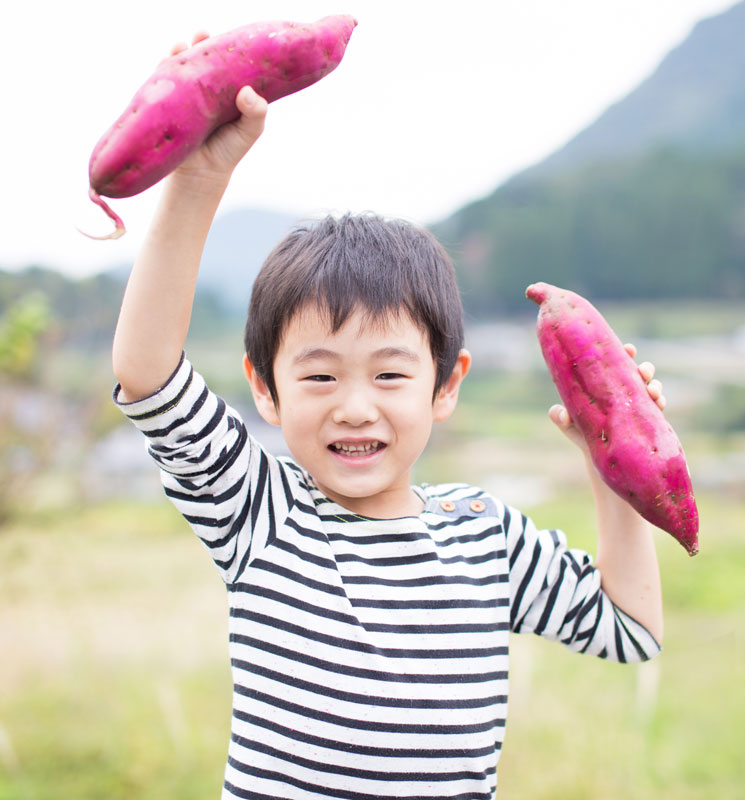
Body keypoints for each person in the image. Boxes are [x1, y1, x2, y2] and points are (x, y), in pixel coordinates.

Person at [112, 39, 667, 800]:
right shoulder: (260, 513)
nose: (355, 405)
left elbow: (629, 629)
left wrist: (613, 455)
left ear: (445, 385)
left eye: (389, 373)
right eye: (319, 374)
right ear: (264, 390)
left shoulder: (486, 536)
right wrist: (198, 180)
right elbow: (147, 375)